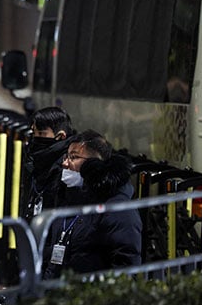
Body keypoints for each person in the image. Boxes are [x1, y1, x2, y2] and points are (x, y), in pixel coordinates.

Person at [42, 129, 142, 279]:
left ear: (95, 163)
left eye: (73, 157)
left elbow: (125, 265)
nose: (65, 163)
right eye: (66, 156)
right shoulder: (68, 197)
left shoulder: (116, 207)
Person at [24, 106, 74, 222]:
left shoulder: (67, 169)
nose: (36, 138)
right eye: (34, 133)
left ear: (61, 136)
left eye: (41, 133)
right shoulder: (37, 162)